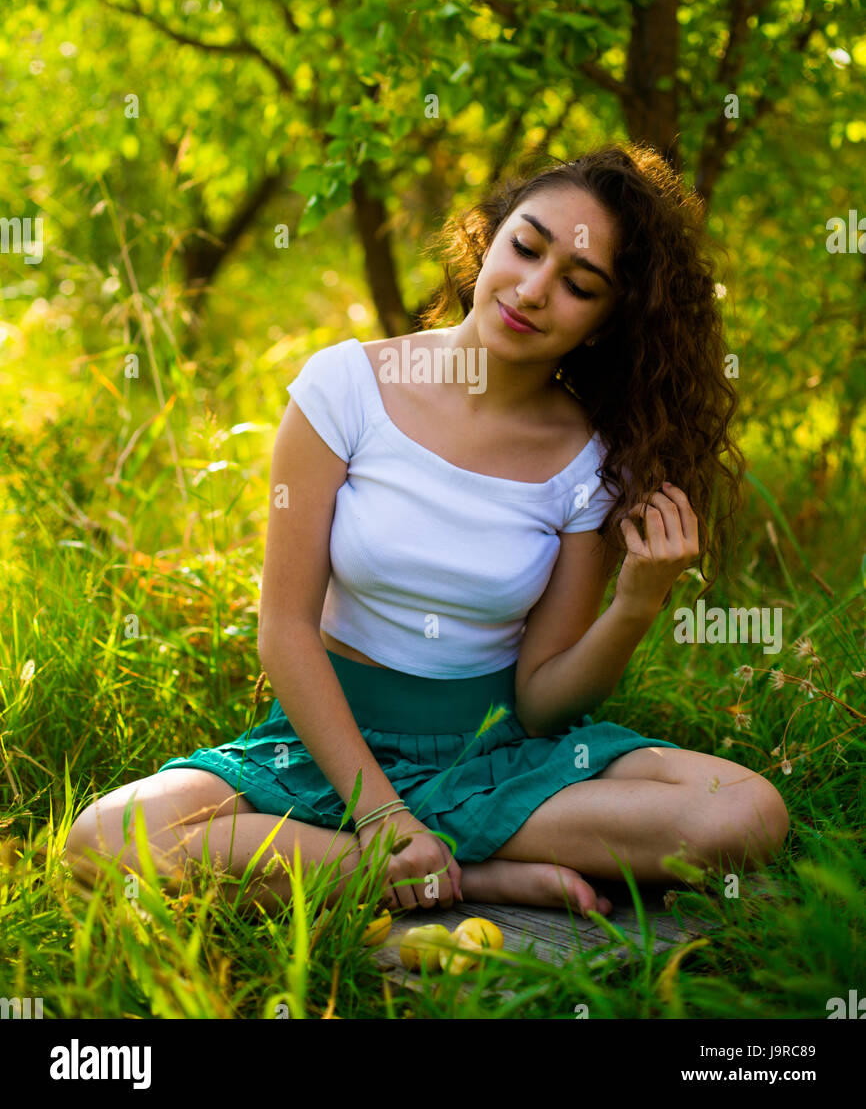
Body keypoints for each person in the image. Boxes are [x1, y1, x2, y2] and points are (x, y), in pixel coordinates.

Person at [65, 143, 789, 921]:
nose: (534, 290)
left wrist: (637, 605)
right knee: (103, 839)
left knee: (744, 813)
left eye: (579, 285)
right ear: (488, 236)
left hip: (496, 761)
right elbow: (283, 631)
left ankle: (387, 861)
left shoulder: (589, 461)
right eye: (526, 247)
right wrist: (383, 814)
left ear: (607, 323)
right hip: (329, 751)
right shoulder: (344, 388)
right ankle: (472, 874)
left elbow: (543, 704)